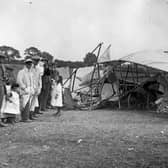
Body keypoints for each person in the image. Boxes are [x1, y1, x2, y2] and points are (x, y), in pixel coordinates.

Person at [17, 58, 34, 122]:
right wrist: (24, 87)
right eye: (28, 64)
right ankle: (23, 118)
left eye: (30, 64)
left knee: (28, 103)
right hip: (24, 90)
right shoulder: (21, 72)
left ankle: (25, 117)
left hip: (29, 89)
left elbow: (32, 81)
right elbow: (19, 81)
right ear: (25, 64)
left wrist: (32, 88)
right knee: (23, 104)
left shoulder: (30, 73)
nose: (29, 65)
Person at [0, 54, 7, 127]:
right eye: (1, 58)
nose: (2, 59)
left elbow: (4, 76)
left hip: (2, 85)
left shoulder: (3, 66)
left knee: (1, 103)